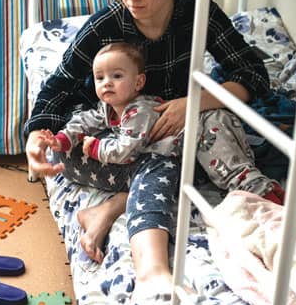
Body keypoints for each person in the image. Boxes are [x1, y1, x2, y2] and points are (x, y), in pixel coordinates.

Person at [25, 0, 273, 304]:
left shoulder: (197, 13)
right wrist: (36, 136)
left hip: (178, 137)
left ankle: (109, 209)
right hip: (113, 147)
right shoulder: (105, 26)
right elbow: (58, 88)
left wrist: (195, 103)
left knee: (221, 141)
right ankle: (151, 271)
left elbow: (253, 74)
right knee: (160, 166)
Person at [42, 42, 279, 237]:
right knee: (229, 169)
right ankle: (267, 191)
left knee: (232, 173)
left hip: (206, 128)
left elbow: (126, 151)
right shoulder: (108, 108)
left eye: (116, 76)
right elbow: (86, 120)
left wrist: (96, 148)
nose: (107, 83)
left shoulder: (139, 111)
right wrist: (64, 138)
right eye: (100, 77)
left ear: (138, 83)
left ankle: (271, 199)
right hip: (195, 139)